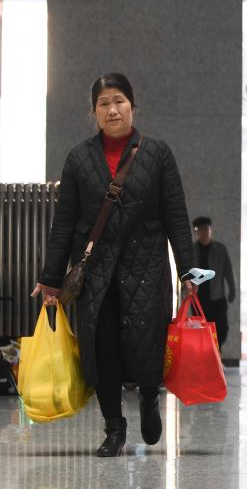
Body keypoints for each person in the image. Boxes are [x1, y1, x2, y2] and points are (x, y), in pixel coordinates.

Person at [33, 73, 195, 457]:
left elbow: (176, 216)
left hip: (147, 265)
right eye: (103, 103)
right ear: (94, 112)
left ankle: (150, 397)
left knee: (148, 342)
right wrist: (51, 279)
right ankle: (114, 428)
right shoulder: (78, 159)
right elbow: (64, 223)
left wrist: (188, 271)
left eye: (119, 101)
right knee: (101, 346)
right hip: (96, 271)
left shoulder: (157, 154)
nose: (112, 110)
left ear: (133, 106)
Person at [191, 217, 236, 349]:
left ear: (211, 230)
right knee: (201, 330)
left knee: (222, 329)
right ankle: (207, 355)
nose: (204, 232)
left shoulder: (220, 249)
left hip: (217, 298)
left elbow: (228, 271)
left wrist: (232, 290)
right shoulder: (192, 251)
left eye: (206, 229)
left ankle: (216, 351)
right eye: (200, 230)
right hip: (198, 299)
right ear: (196, 232)